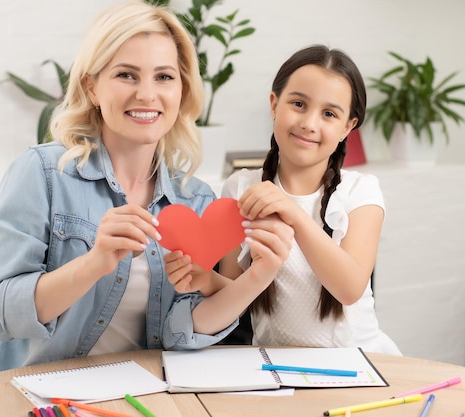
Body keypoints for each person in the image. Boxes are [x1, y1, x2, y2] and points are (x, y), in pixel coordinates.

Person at [0, 0, 259, 375]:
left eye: (164, 77)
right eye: (126, 75)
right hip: (40, 394)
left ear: (182, 90)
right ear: (92, 87)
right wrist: (94, 263)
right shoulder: (42, 173)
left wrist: (239, 279)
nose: (147, 94)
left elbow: (183, 336)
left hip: (141, 395)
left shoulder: (196, 201)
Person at [166, 45, 401, 355]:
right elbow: (239, 297)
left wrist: (294, 214)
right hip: (276, 368)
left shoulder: (361, 191)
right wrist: (207, 281)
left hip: (360, 361)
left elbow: (350, 288)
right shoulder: (240, 189)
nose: (309, 123)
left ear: (348, 127)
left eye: (329, 113)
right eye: (299, 104)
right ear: (274, 105)